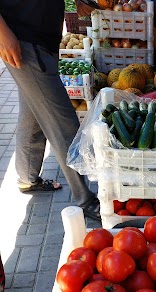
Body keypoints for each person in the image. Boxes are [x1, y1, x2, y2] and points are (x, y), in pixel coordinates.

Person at [0, 0, 100, 221]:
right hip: (21, 39)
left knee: (33, 114)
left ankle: (27, 178)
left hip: (41, 40)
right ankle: (85, 200)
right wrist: (2, 33)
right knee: (63, 123)